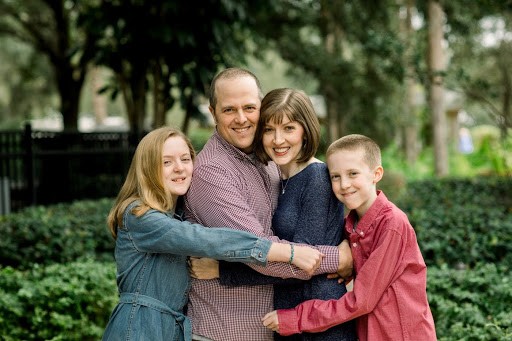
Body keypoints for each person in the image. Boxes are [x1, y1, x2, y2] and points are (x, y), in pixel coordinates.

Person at [100, 126, 324, 341]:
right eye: (166, 162)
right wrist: (287, 251)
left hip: (172, 328)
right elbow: (203, 239)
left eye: (185, 159)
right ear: (148, 169)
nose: (179, 168)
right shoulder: (140, 215)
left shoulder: (175, 214)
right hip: (139, 326)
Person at [184, 68, 353, 341]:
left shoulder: (277, 164)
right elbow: (259, 252)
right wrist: (339, 257)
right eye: (229, 110)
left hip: (306, 322)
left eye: (249, 107)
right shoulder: (212, 172)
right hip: (228, 332)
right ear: (212, 112)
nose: (241, 119)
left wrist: (350, 251)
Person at [262, 134, 437, 341]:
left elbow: (361, 301)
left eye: (353, 173)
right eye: (335, 176)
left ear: (376, 174)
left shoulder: (392, 225)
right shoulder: (351, 226)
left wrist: (296, 318)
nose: (344, 184)